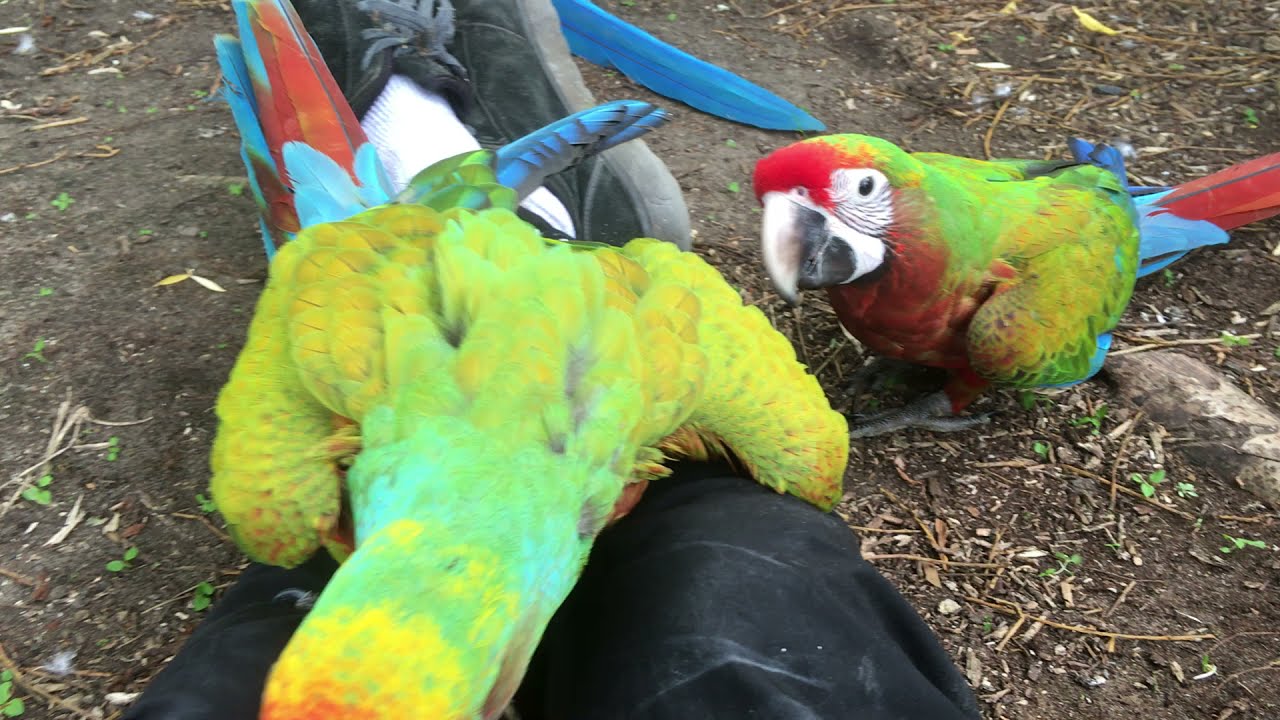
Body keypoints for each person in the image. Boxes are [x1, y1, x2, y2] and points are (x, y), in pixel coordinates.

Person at [124, 1, 982, 718]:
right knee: (759, 557)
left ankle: (420, 134)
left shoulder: (280, 486)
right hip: (532, 352)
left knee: (283, 536)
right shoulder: (666, 357)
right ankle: (495, 186)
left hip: (386, 271)